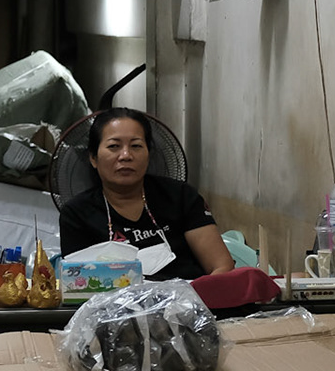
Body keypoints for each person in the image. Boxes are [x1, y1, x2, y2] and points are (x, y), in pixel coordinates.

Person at [57, 108, 236, 281]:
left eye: (136, 146)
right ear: (93, 158)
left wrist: (192, 297)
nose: (125, 155)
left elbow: (222, 266)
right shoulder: (76, 214)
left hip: (189, 298)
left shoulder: (181, 196)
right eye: (114, 146)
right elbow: (78, 283)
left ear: (149, 154)